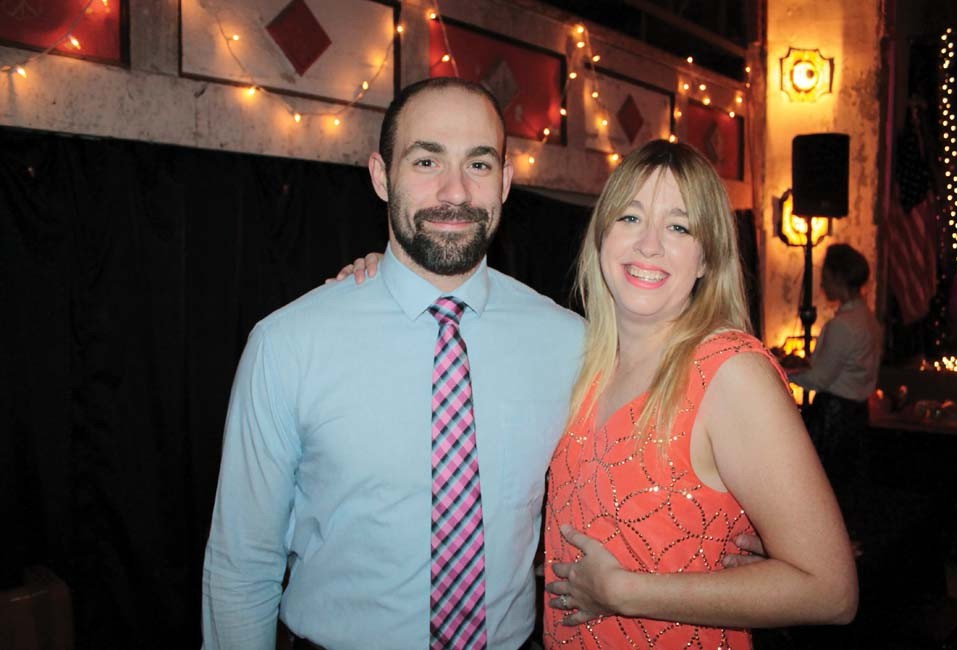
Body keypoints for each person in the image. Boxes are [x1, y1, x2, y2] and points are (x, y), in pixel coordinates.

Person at [201, 77, 586, 649]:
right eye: (426, 160)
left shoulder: (570, 343)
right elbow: (242, 566)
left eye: (479, 164)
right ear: (382, 176)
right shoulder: (289, 345)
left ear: (505, 182)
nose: (455, 191)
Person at [541, 140, 858, 648]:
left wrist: (623, 592)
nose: (649, 245)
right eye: (630, 218)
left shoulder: (729, 371)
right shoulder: (585, 364)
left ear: (707, 257)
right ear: (601, 235)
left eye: (679, 227)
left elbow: (831, 591)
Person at [787, 243, 881, 489]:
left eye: (825, 277)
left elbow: (819, 380)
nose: (822, 284)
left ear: (838, 278)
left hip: (834, 417)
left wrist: (781, 373)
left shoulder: (843, 325)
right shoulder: (868, 319)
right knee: (848, 487)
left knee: (825, 486)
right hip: (857, 415)